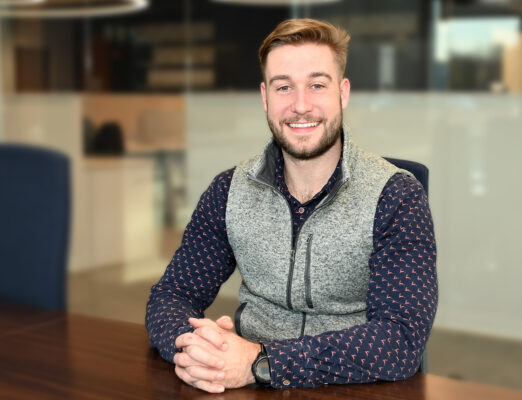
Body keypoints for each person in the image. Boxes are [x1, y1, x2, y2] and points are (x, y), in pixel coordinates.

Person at [145, 18, 438, 393]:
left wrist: (261, 362)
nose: (301, 106)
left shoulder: (396, 196)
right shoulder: (229, 190)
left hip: (354, 387)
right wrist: (198, 350)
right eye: (284, 87)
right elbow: (172, 295)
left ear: (342, 93)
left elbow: (399, 341)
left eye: (317, 85)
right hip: (241, 385)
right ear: (265, 97)